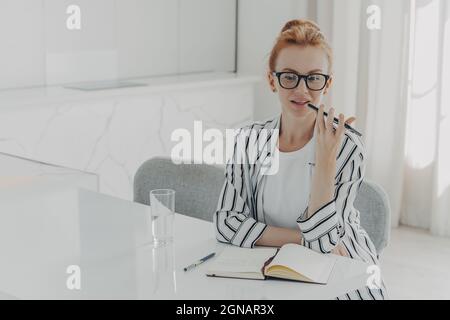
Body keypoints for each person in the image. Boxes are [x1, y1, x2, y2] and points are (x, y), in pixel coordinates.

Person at [213, 19, 387, 300]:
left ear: (327, 84)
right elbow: (226, 223)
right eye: (290, 76)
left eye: (314, 77)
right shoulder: (249, 140)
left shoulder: (347, 147)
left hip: (344, 275)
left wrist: (326, 161)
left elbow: (324, 245)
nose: (302, 90)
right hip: (276, 268)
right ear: (272, 80)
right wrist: (297, 238)